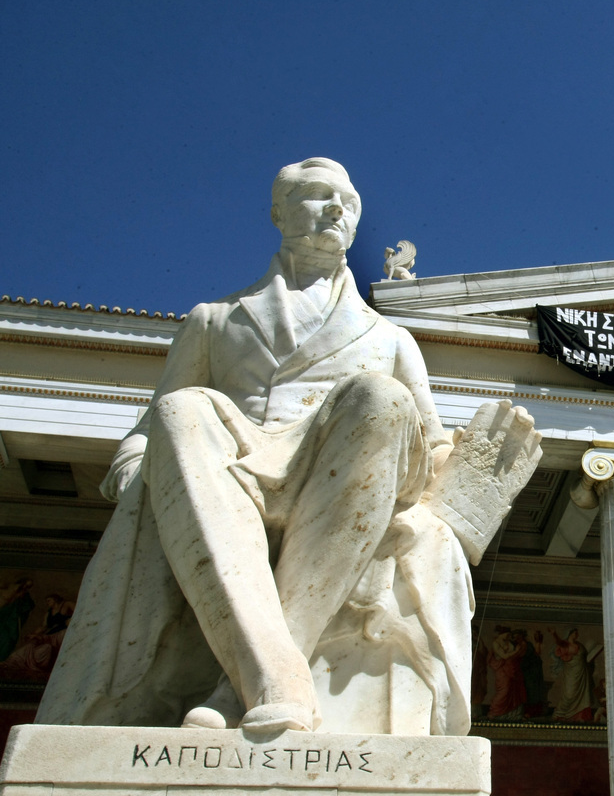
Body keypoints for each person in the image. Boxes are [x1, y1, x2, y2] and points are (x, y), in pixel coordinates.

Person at [37, 159, 540, 736]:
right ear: (278, 212)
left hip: (339, 469)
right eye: (317, 195)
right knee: (182, 409)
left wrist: (479, 472)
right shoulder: (214, 320)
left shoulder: (391, 338)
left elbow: (428, 445)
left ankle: (259, 679)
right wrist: (142, 472)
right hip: (232, 468)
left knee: (381, 397)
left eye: (347, 203)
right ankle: (271, 675)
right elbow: (147, 431)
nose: (336, 209)